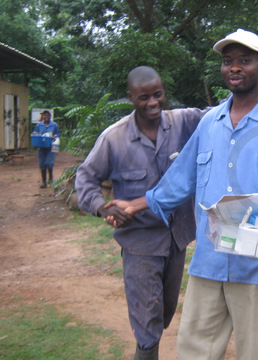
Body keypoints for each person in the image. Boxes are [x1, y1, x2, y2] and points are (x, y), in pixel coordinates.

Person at [106, 29, 258, 360]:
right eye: (227, 61)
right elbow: (181, 178)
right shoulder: (211, 123)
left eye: (244, 61)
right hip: (209, 262)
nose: (234, 68)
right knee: (195, 350)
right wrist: (136, 205)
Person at [75, 66, 209, 360]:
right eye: (143, 97)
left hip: (177, 238)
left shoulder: (182, 122)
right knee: (147, 324)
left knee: (164, 313)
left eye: (158, 95)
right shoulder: (114, 138)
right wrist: (101, 206)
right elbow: (86, 178)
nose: (152, 103)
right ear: (130, 98)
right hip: (140, 243)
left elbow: (218, 114)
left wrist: (256, 84)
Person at [33, 110, 60, 188]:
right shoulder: (39, 125)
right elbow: (35, 133)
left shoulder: (54, 125)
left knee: (49, 162)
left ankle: (51, 178)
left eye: (47, 115)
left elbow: (58, 133)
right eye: (44, 115)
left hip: (51, 146)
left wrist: (55, 136)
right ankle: (44, 182)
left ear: (50, 116)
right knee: (42, 163)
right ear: (43, 117)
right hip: (41, 147)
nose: (46, 117)